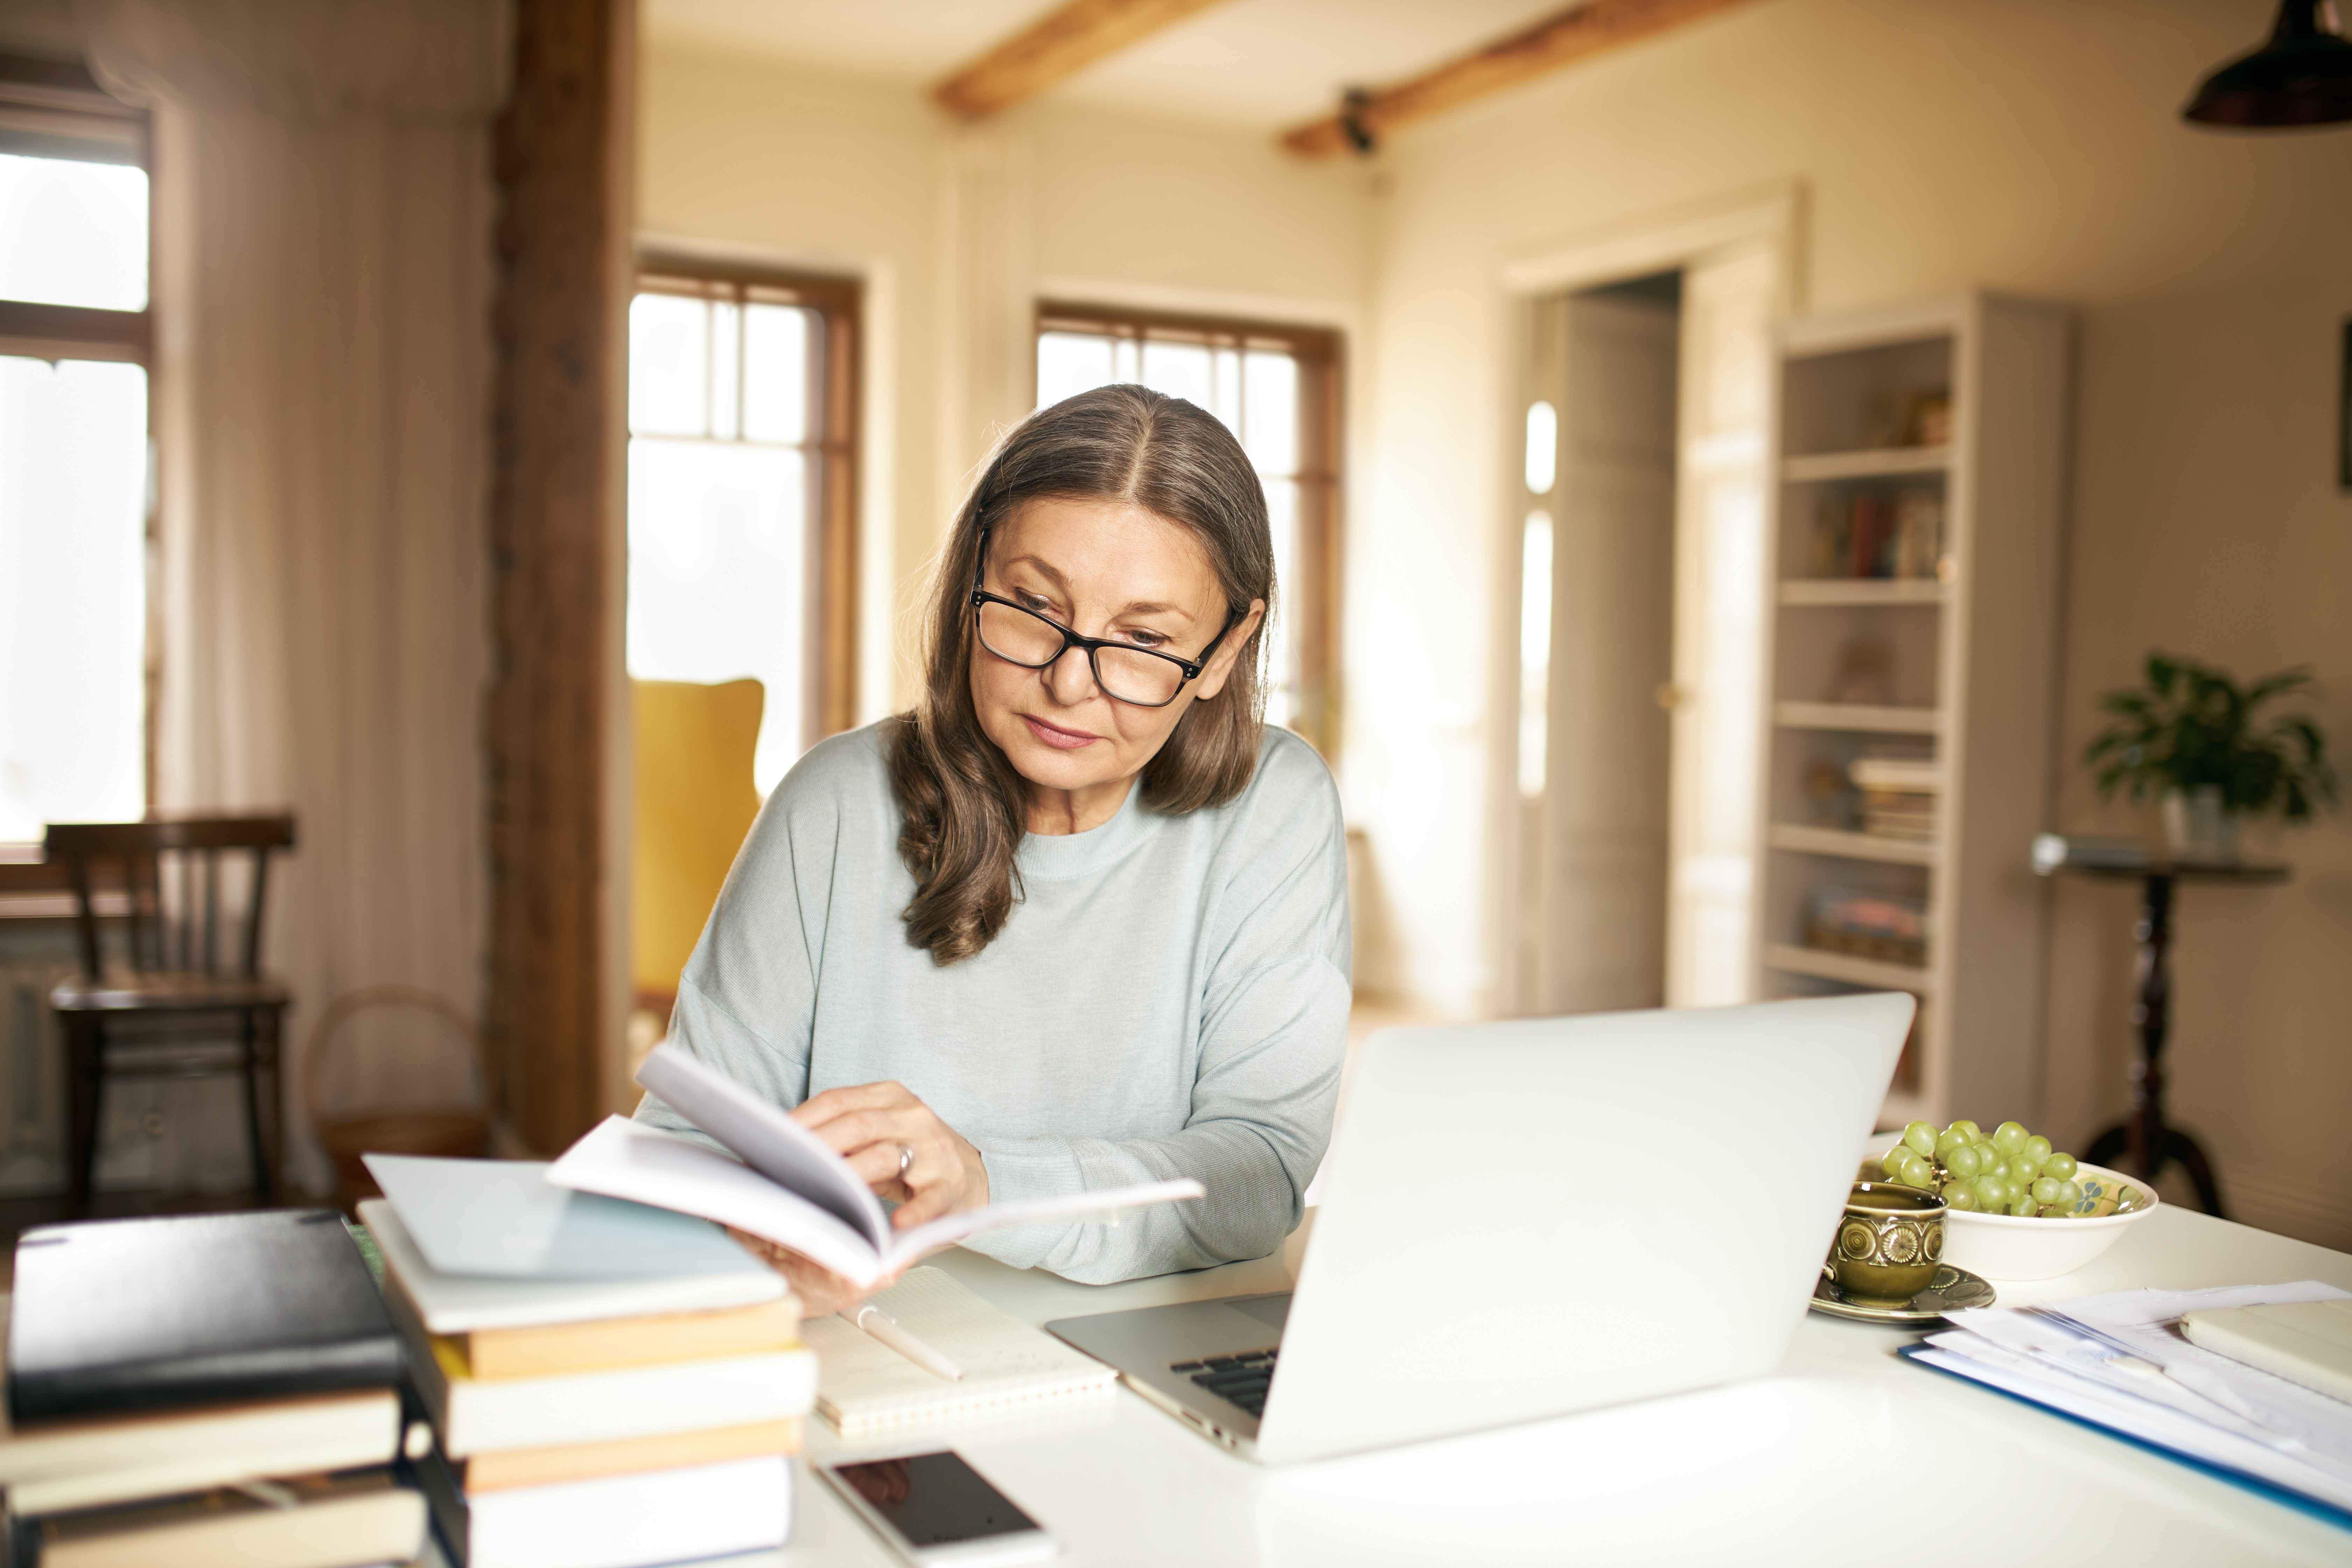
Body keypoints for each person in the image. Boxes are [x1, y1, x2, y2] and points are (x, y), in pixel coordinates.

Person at [634, 384, 1351, 1315]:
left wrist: (984, 1188)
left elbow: (1258, 1174)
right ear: (976, 574)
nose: (1067, 683)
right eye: (1034, 607)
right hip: (867, 1337)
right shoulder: (836, 804)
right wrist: (750, 1237)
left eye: (1142, 640)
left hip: (1142, 1340)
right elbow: (683, 1149)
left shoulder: (1275, 809)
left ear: (1224, 650)